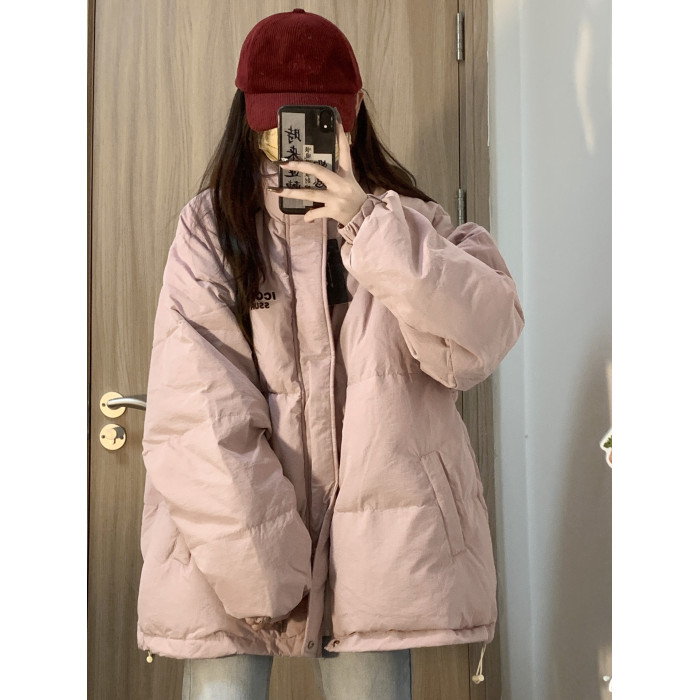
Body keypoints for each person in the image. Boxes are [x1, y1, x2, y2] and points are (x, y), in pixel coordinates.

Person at [137, 8, 524, 700]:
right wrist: (268, 571)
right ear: (248, 118)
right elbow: (197, 414)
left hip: (375, 562)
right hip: (224, 557)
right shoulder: (210, 231)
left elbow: (481, 339)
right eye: (276, 126)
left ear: (352, 115)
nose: (290, 147)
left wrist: (366, 223)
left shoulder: (410, 224)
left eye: (316, 123)